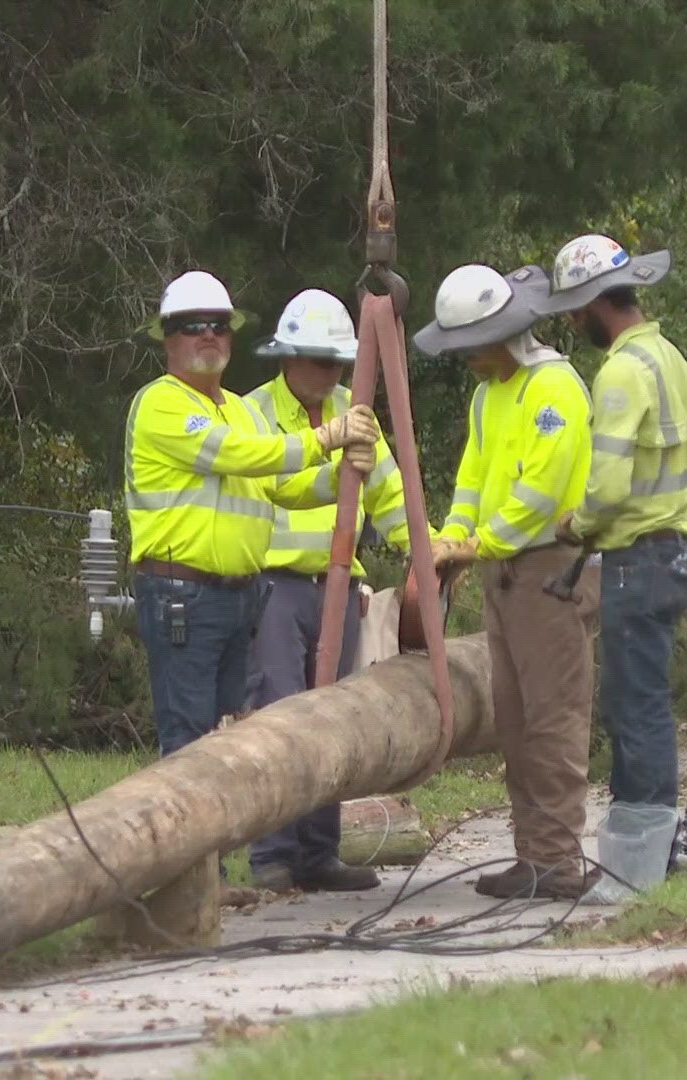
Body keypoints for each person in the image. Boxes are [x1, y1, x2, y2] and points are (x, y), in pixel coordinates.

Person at [122, 271, 381, 760]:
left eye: (219, 325)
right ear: (167, 338)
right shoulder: (162, 403)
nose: (208, 335)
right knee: (189, 745)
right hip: (184, 596)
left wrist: (346, 477)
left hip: (240, 597)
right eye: (193, 325)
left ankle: (220, 838)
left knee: (232, 741)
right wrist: (326, 439)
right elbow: (237, 454)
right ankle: (190, 837)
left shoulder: (241, 410)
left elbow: (283, 487)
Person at [414, 263, 598, 899]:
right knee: (517, 723)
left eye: (473, 343)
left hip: (550, 568)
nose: (465, 357)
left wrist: (479, 544)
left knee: (554, 719)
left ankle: (559, 860)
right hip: (506, 569)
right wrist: (451, 536)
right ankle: (535, 856)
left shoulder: (555, 389)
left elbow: (541, 491)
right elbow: (474, 476)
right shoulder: (489, 393)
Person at [241, 288, 419, 893]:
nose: (328, 373)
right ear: (287, 358)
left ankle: (320, 852)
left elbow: (391, 492)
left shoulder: (356, 410)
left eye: (336, 361)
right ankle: (273, 853)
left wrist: (426, 554)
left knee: (334, 720)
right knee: (279, 715)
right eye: (316, 359)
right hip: (274, 585)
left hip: (341, 587)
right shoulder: (253, 413)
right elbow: (259, 483)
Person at [540, 235, 687, 816]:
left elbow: (607, 489)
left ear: (592, 305)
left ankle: (644, 841)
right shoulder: (669, 358)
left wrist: (574, 525)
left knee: (634, 704)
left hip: (637, 555)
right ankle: (650, 836)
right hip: (676, 550)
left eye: (576, 311)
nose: (576, 321)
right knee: (644, 696)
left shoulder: (619, 373)